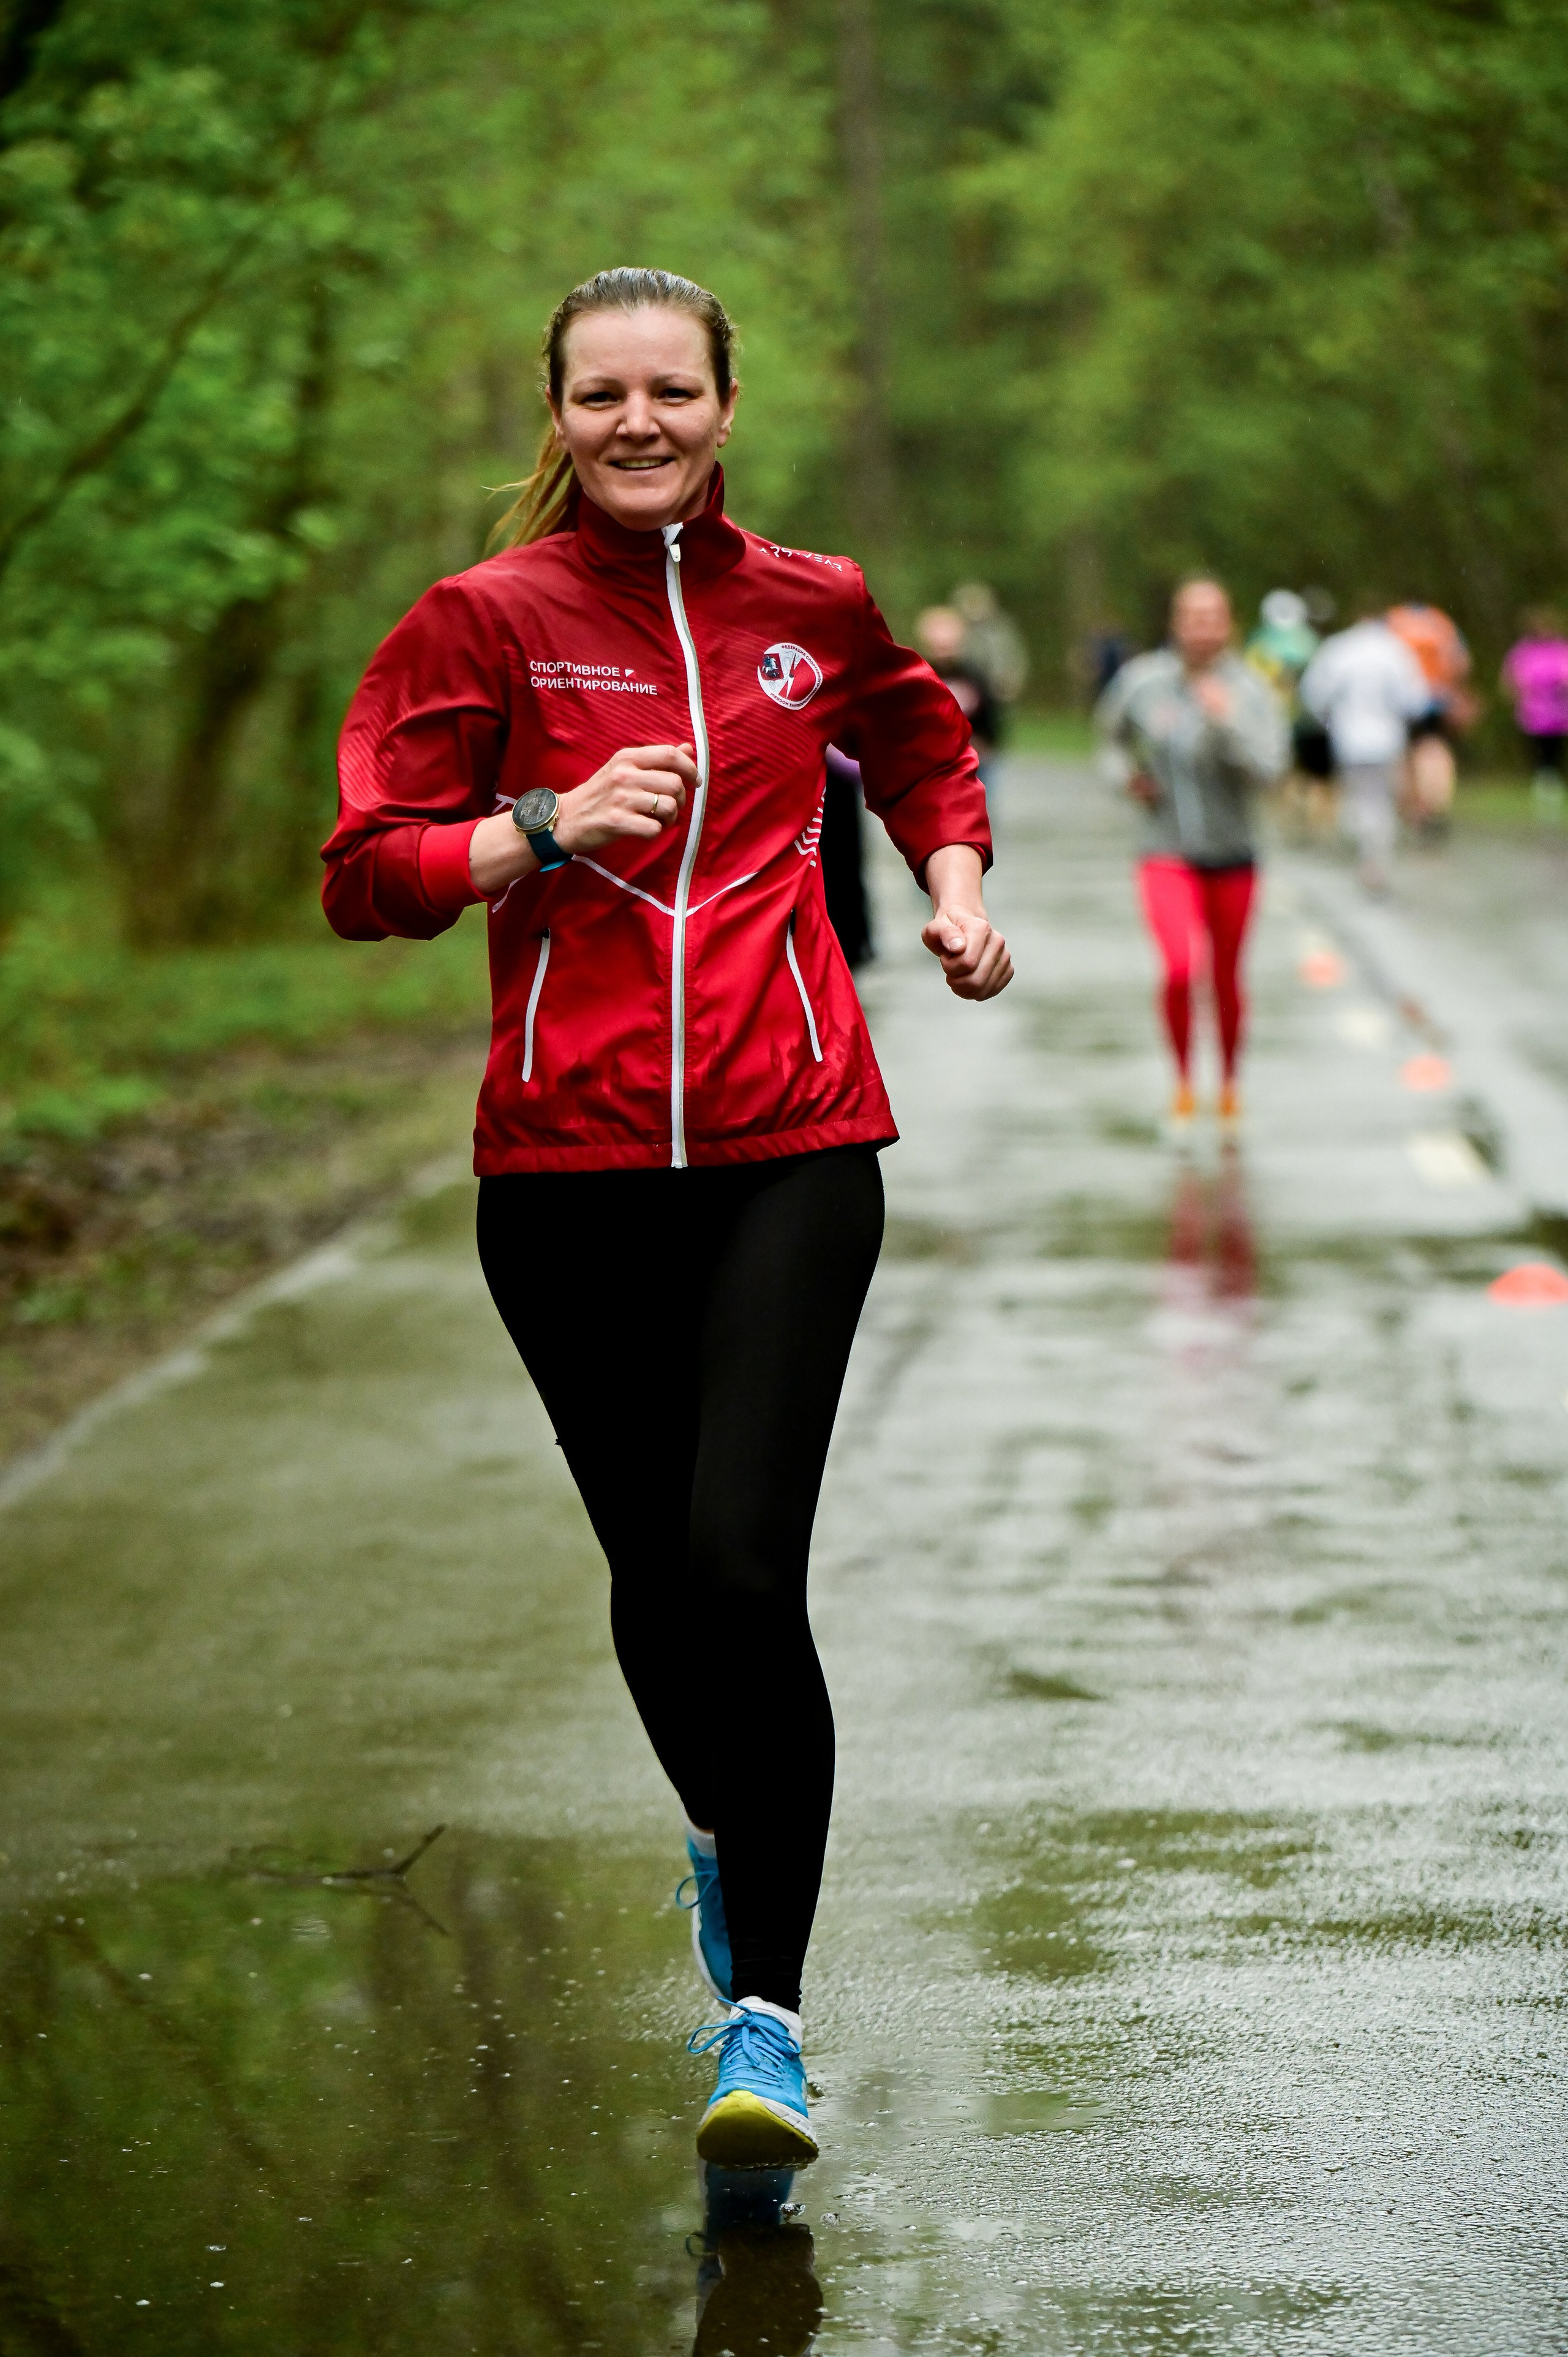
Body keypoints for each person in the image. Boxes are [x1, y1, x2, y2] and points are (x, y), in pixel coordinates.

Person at [320, 268, 1009, 2172]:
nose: (639, 421)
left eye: (671, 390)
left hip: (798, 1141)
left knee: (735, 1565)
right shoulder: (484, 620)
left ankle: (765, 2021)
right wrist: (539, 826)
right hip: (566, 1172)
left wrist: (949, 882)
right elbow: (365, 875)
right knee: (648, 1573)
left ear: (724, 406)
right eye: (603, 393)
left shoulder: (816, 602)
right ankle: (724, 1832)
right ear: (558, 413)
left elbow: (921, 737)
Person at [1095, 576, 1288, 1128]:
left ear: (1229, 624)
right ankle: (1182, 1085)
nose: (1202, 627)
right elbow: (1107, 740)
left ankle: (1227, 1086)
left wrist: (1225, 720)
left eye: (1213, 616)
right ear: (1176, 624)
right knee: (1181, 969)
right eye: (1192, 616)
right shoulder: (1142, 683)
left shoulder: (1252, 690)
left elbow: (1271, 769)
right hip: (1165, 850)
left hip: (1234, 853)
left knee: (1226, 977)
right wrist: (1125, 778)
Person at [1298, 600, 1430, 892]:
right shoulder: (1395, 650)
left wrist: (1329, 722)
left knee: (1358, 798)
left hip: (1350, 738)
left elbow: (1314, 695)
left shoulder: (1339, 649)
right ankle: (1374, 859)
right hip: (1387, 739)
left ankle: (1366, 853)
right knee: (1381, 801)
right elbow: (1414, 700)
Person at [1385, 598, 1473, 831]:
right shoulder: (1441, 622)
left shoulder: (1392, 621)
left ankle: (1413, 811)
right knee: (1435, 750)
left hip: (1403, 699)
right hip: (1438, 698)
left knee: (1405, 755)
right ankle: (1436, 803)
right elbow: (1461, 664)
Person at [914, 603, 1002, 799]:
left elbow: (991, 721)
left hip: (971, 759)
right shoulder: (915, 676)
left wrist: (983, 746)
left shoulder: (975, 677)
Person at [1501, 608, 1568, 807]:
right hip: (1534, 709)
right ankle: (1542, 778)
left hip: (1558, 708)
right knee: (1537, 745)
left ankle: (1551, 777)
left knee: (1554, 744)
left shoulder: (1560, 649)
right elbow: (1512, 676)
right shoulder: (1524, 650)